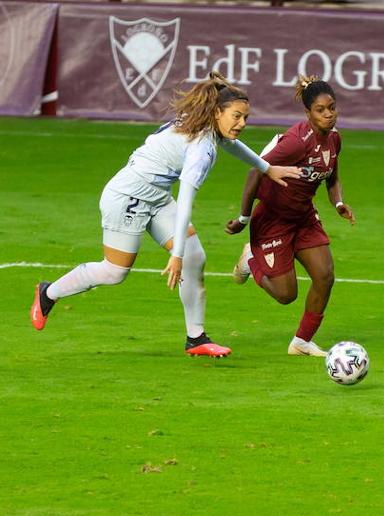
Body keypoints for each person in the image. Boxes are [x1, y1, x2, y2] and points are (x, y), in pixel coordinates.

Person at [30, 73, 302, 357]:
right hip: (127, 197)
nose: (242, 124)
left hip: (156, 196)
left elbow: (230, 143)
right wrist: (176, 254)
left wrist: (267, 168)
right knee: (115, 272)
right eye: (237, 116)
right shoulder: (201, 150)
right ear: (216, 112)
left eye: (245, 117)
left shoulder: (203, 124)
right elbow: (185, 200)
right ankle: (49, 292)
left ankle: (196, 339)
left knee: (196, 258)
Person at [225, 75, 355, 357]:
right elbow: (254, 171)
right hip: (273, 220)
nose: (329, 114)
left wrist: (339, 202)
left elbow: (331, 177)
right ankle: (250, 259)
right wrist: (244, 218)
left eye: (332, 107)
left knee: (325, 275)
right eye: (321, 110)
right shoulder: (296, 142)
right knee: (286, 295)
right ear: (307, 113)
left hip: (304, 217)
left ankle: (301, 342)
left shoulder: (334, 139)